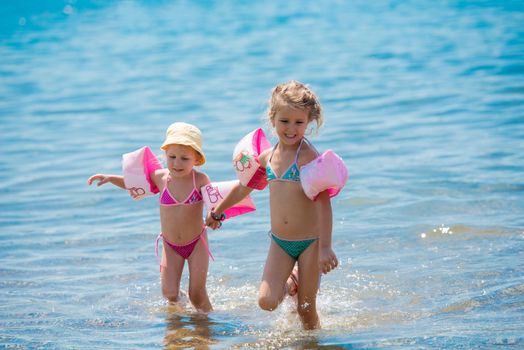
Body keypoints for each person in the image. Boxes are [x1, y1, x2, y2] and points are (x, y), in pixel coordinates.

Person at [206, 80, 339, 329]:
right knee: (266, 302)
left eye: (299, 123)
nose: (291, 129)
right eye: (284, 121)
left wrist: (326, 247)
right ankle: (292, 282)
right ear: (272, 118)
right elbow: (244, 187)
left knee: (306, 311)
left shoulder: (309, 157)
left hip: (311, 242)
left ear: (309, 121)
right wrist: (218, 211)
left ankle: (312, 347)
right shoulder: (267, 158)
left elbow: (323, 203)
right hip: (281, 242)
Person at [87, 122, 213, 312]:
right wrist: (111, 178)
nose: (177, 163)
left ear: (196, 159)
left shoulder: (200, 179)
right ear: (164, 155)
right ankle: (180, 319)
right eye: (171, 157)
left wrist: (215, 216)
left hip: (196, 244)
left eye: (184, 158)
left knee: (197, 294)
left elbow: (214, 204)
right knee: (170, 294)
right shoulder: (160, 177)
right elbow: (134, 185)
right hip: (171, 246)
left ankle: (208, 322)